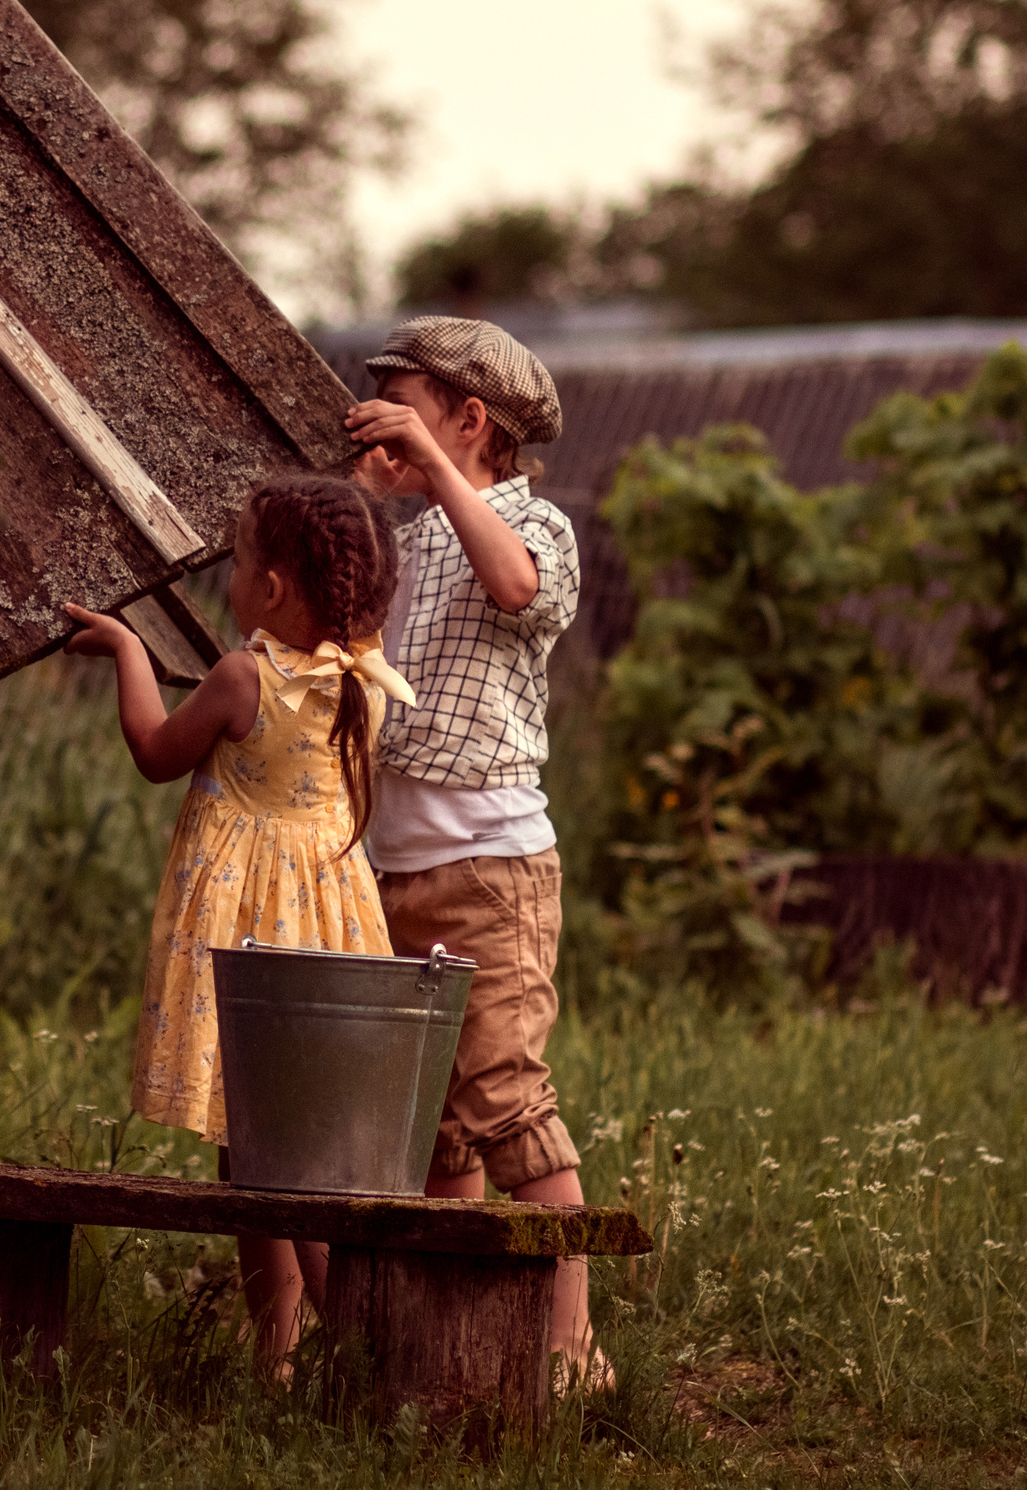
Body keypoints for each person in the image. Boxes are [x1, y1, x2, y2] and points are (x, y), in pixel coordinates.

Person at [62, 472, 413, 1371]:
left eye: (240, 556)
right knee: (296, 1157)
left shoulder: (242, 675)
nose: (233, 569)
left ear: (273, 588)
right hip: (330, 934)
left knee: (256, 1157)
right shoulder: (363, 680)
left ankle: (353, 1358)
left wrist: (129, 652)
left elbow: (153, 752)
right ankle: (299, 1357)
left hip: (252, 937)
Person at [343, 315, 608, 1391]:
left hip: (487, 865)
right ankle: (447, 1348)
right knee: (428, 1126)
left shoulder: (532, 523)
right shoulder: (407, 541)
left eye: (410, 405)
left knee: (505, 1099)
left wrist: (439, 478)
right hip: (389, 864)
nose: (393, 424)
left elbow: (515, 590)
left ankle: (569, 1347)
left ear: (469, 418)